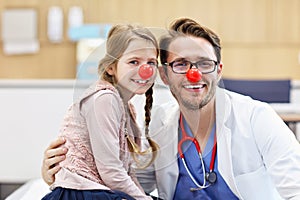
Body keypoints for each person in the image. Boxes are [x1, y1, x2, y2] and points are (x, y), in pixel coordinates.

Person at [42, 18, 300, 199]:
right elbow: (131, 183)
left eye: (204, 63)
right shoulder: (159, 124)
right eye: (181, 64)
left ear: (218, 71)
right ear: (163, 76)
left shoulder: (258, 119)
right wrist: (61, 174)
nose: (193, 74)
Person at [42, 23, 160, 200]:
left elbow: (125, 172)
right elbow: (112, 172)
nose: (145, 70)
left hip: (99, 190)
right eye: (134, 61)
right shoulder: (104, 99)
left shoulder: (126, 108)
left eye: (151, 62)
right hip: (80, 194)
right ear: (111, 67)